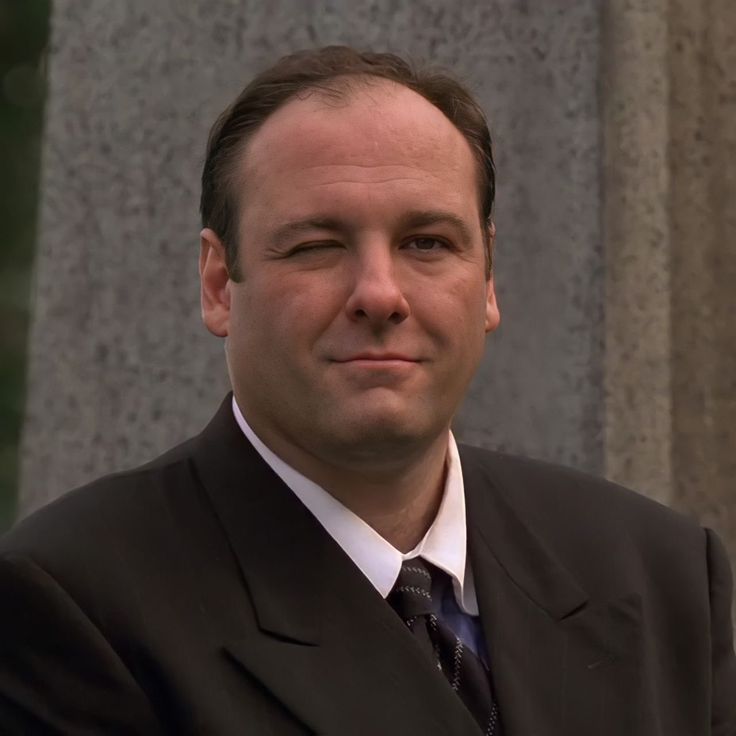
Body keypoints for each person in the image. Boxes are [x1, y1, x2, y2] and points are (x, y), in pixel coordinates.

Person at [1, 46, 734, 736]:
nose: (380, 294)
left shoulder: (663, 575)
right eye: (317, 246)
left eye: (427, 243)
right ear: (219, 284)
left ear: (487, 281)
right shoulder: (76, 602)